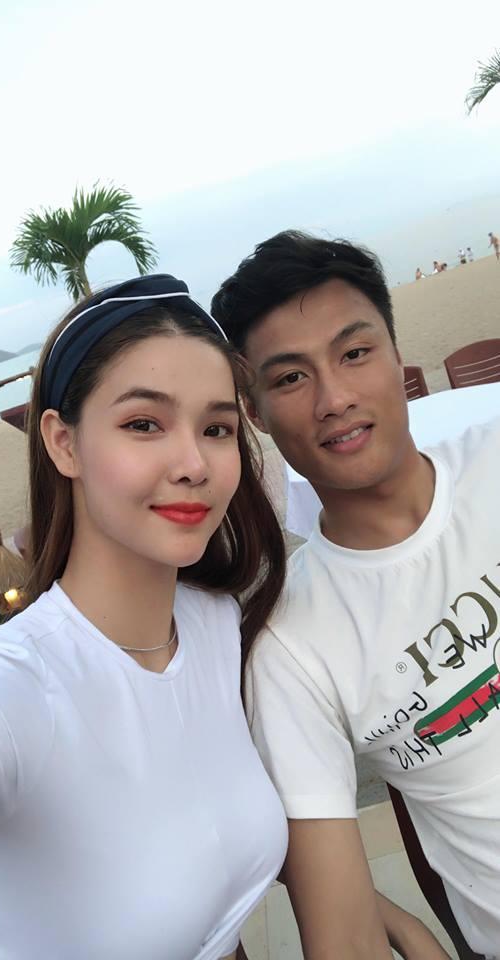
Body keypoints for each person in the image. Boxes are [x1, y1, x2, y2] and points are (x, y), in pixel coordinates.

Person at [0, 275, 289, 960]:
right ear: (64, 443)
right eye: (144, 424)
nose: (194, 464)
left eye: (217, 429)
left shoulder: (217, 627)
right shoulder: (0, 691)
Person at [212, 231, 500, 959]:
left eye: (354, 353)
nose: (334, 398)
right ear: (255, 412)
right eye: (290, 378)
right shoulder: (288, 643)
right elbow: (340, 929)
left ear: (395, 353)